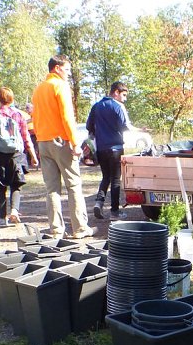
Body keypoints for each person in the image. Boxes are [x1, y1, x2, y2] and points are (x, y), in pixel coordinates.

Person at [30, 55, 96, 239]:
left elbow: (35, 118)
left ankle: (56, 229)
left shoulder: (38, 89)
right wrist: (75, 143)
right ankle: (80, 228)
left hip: (43, 141)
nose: (68, 74)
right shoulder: (59, 86)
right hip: (61, 141)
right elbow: (67, 117)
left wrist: (40, 139)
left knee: (51, 188)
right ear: (57, 68)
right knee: (73, 184)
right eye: (67, 70)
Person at [0, 86, 38, 227]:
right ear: (11, 98)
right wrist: (33, 155)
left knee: (0, 187)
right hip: (15, 154)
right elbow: (25, 137)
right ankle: (14, 210)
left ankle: (2, 219)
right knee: (16, 184)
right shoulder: (18, 115)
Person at [86, 81, 131, 221]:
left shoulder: (96, 106)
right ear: (116, 92)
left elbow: (89, 126)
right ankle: (114, 211)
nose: (125, 98)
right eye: (123, 95)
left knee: (105, 177)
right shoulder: (118, 106)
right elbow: (125, 126)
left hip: (101, 148)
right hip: (116, 148)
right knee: (116, 180)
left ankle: (99, 203)